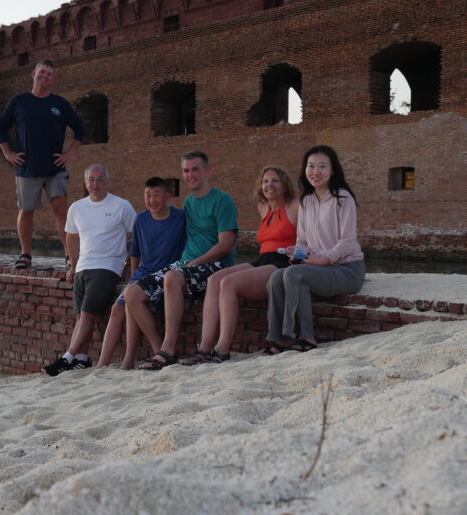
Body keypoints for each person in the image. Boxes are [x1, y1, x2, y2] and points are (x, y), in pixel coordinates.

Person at [124, 151, 239, 371]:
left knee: (172, 278)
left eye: (195, 169)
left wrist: (196, 262)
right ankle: (159, 347)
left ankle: (168, 350)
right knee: (132, 293)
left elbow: (226, 244)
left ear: (207, 170)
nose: (190, 174)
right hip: (186, 265)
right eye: (186, 170)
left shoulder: (222, 200)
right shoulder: (187, 202)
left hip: (216, 265)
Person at [179, 165, 298, 365]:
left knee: (228, 283)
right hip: (264, 259)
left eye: (275, 180)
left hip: (285, 261)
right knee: (215, 279)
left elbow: (311, 233)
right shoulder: (264, 208)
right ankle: (204, 348)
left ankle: (223, 349)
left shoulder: (294, 206)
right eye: (265, 181)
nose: (269, 185)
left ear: (285, 185)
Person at [264, 145, 365, 354]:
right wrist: (297, 250)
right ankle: (280, 339)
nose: (315, 172)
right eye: (311, 166)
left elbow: (348, 241)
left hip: (347, 269)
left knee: (294, 274)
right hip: (322, 268)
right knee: (276, 278)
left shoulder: (343, 198)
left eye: (322, 166)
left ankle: (306, 337)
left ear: (332, 170)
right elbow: (302, 240)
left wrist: (325, 259)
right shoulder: (306, 201)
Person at [42, 164, 135, 376]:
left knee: (86, 314)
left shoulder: (122, 206)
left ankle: (66, 358)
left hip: (107, 266)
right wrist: (73, 266)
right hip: (83, 266)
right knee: (80, 316)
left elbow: (135, 235)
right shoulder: (77, 208)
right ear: (85, 183)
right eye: (91, 180)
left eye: (100, 179)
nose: (95, 184)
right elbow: (71, 237)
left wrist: (129, 263)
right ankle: (82, 359)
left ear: (108, 182)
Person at [0, 59, 86, 271]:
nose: (45, 76)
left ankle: (69, 254)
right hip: (27, 168)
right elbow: (0, 126)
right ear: (33, 74)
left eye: (49, 74)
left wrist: (70, 152)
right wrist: (7, 152)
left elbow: (80, 128)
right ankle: (25, 254)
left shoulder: (60, 104)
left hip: (55, 167)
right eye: (42, 72)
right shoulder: (19, 101)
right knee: (26, 210)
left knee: (61, 209)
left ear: (52, 80)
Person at [98, 177, 186, 370]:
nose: (152, 200)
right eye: (148, 195)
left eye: (156, 195)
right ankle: (103, 363)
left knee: (131, 300)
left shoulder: (180, 218)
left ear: (167, 196)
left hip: (165, 273)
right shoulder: (141, 219)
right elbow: (135, 252)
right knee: (117, 308)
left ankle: (153, 351)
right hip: (142, 275)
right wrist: (133, 277)